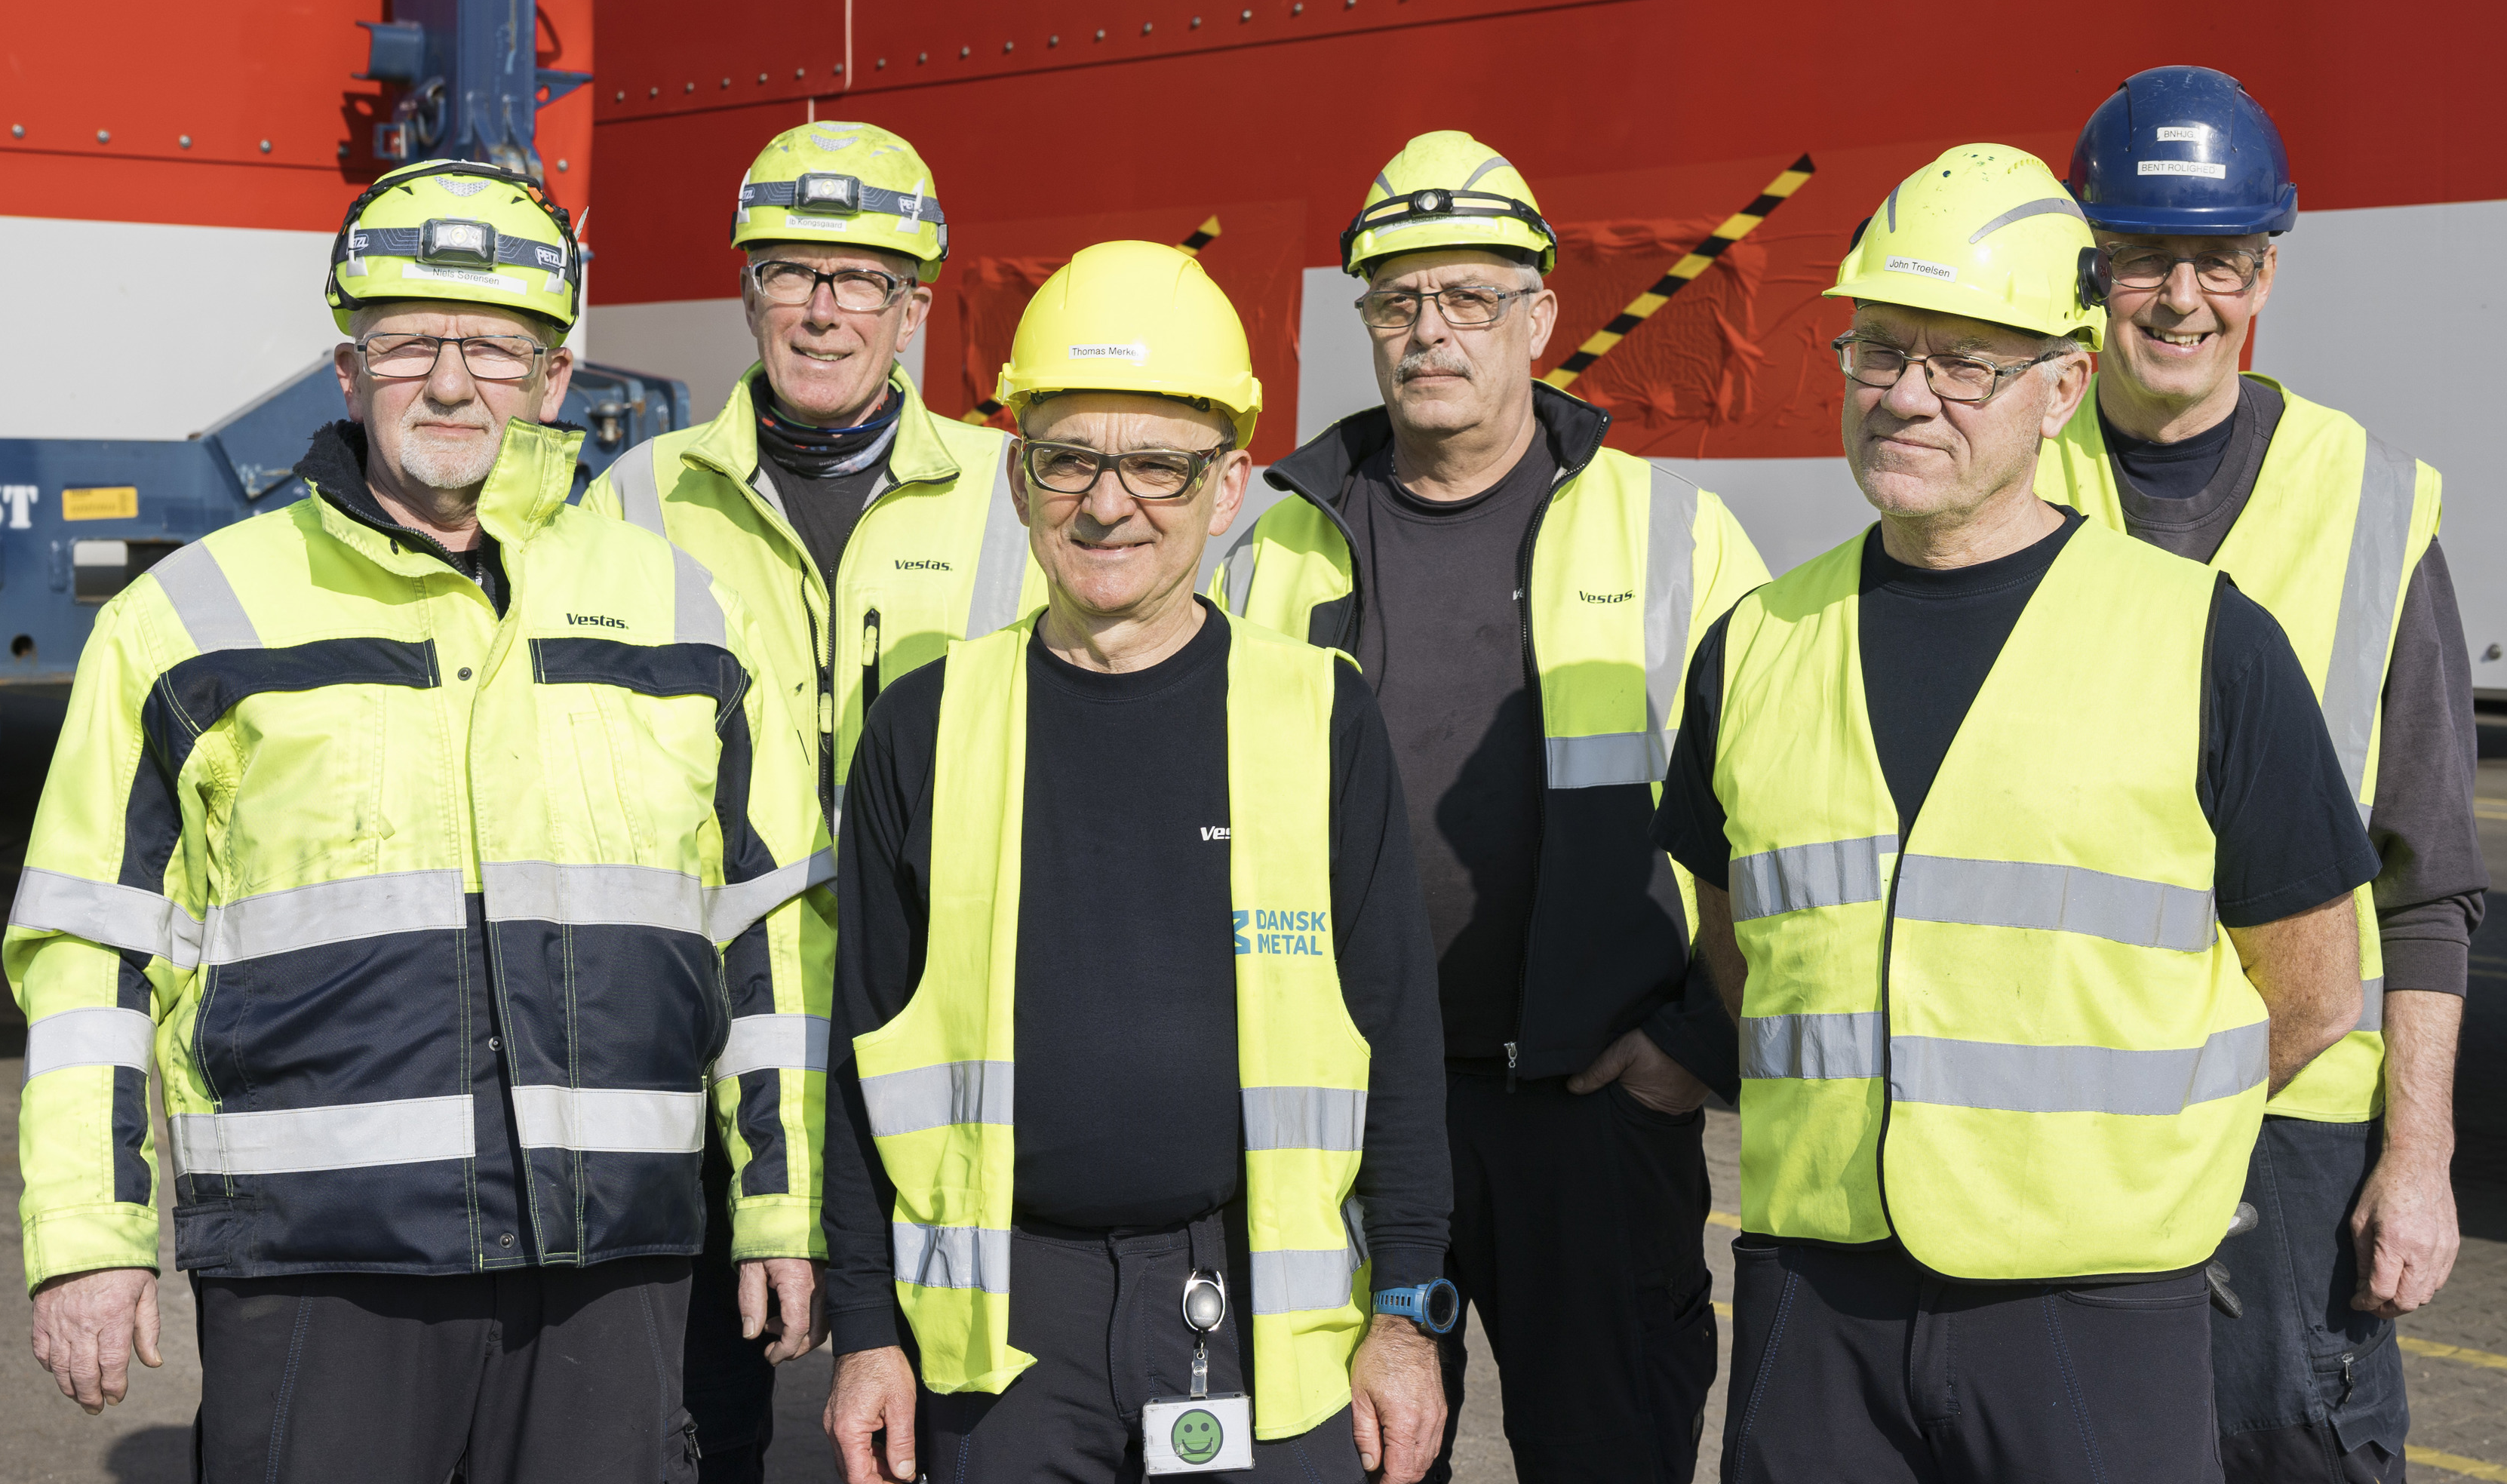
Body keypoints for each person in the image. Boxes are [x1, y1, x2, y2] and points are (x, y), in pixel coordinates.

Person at [6, 160, 826, 1482]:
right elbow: (88, 952)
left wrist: (784, 1208)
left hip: (613, 1256)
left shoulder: (687, 615)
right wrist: (89, 1240)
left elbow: (772, 944)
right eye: (408, 345)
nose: (451, 384)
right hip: (317, 1264)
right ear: (348, 372)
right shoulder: (189, 622)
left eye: (495, 348)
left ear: (555, 379)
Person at [1654, 145, 2384, 1483]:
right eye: (1881, 350)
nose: (1907, 396)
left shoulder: (2203, 642)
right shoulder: (1754, 644)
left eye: (1965, 363)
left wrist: (2134, 1162)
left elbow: (2316, 992)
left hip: (2091, 1305)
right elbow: (1737, 949)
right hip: (1817, 1289)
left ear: (2062, 388)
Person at [819, 241, 1455, 1483]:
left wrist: (1405, 1315)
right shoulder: (923, 724)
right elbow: (861, 1054)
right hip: (1001, 1336)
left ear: (1226, 489)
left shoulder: (1317, 712)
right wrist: (864, 1331)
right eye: (1069, 459)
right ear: (1019, 480)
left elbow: (1395, 1036)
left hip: (1257, 1312)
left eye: (1161, 464)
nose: (1110, 506)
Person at [1217, 131, 1767, 1480]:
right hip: (1345, 1121)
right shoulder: (1277, 544)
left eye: (1469, 295)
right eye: (1398, 300)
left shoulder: (1675, 535)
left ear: (1540, 316)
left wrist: (1697, 1042)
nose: (1430, 331)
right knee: (1349, 1458)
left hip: (1593, 1116)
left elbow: (1778, 817)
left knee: (1609, 1454)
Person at [2047, 67, 2485, 1482]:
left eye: (2221, 259)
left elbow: (2428, 881)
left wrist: (2416, 1158)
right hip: (2060, 1119)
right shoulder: (2009, 480)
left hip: (2297, 1133)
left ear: (2267, 273)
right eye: (2142, 258)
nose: (2182, 299)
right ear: (2088, 269)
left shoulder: (2370, 503)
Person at [587, 119, 1038, 1479]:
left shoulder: (1013, 498)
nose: (825, 308)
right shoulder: (638, 498)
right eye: (793, 271)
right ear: (749, 293)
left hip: (947, 1027)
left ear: (916, 308)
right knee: (697, 1418)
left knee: (960, 1408)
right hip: (710, 1035)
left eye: (863, 279)